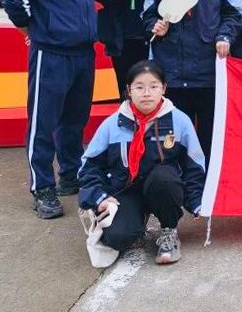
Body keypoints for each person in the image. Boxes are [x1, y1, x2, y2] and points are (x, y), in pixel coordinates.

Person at [4, 0, 97, 219]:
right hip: (51, 53)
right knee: (42, 122)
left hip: (84, 53)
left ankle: (70, 175)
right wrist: (36, 33)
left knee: (75, 120)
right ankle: (42, 187)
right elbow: (15, 4)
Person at [79, 61, 206, 265]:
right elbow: (89, 167)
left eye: (153, 86)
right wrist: (98, 196)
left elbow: (194, 166)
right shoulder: (112, 125)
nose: (147, 93)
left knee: (165, 177)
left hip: (161, 187)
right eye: (139, 87)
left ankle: (168, 231)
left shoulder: (179, 121)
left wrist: (196, 201)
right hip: (125, 190)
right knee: (118, 238)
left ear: (164, 88)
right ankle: (136, 222)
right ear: (129, 90)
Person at [143, 0, 242, 156]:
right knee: (173, 135)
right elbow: (147, 14)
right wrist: (155, 25)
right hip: (171, 69)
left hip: (208, 70)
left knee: (209, 134)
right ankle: (176, 176)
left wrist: (224, 37)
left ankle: (206, 177)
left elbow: (234, 14)